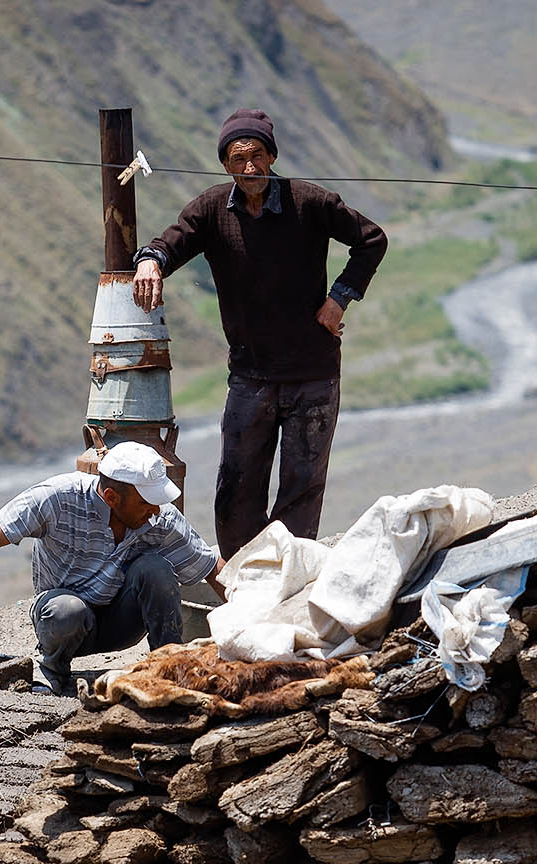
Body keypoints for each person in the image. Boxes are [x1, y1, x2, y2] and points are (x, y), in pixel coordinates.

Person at [131, 107, 388, 560]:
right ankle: (242, 578)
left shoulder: (308, 201)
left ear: (271, 157)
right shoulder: (211, 209)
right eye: (238, 158)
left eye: (256, 155)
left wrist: (339, 298)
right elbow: (170, 242)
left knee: (301, 487)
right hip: (250, 376)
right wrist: (150, 261)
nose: (249, 167)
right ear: (225, 165)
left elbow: (371, 239)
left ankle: (286, 578)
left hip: (313, 373)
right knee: (236, 486)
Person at [0, 442, 226, 694]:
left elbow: (211, 566)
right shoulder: (58, 497)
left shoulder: (159, 517)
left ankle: (167, 667)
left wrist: (252, 616)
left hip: (120, 624)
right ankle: (52, 670)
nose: (155, 510)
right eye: (145, 502)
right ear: (112, 497)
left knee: (157, 569)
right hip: (63, 624)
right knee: (68, 610)